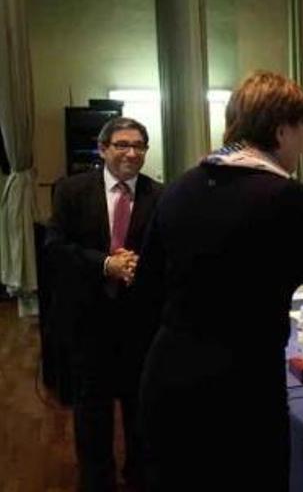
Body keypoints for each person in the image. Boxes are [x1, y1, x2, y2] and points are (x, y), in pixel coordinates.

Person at [136, 71, 303, 490]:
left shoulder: (179, 188)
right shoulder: (288, 199)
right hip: (239, 393)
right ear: (281, 131)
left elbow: (146, 290)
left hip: (167, 384)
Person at [46, 117, 163, 491]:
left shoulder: (159, 196)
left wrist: (136, 265)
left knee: (139, 413)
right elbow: (55, 248)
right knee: (91, 415)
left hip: (140, 324)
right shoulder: (71, 191)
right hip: (88, 322)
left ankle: (139, 478)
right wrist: (105, 264)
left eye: (139, 146)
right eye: (122, 145)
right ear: (102, 149)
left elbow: (168, 254)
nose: (132, 153)